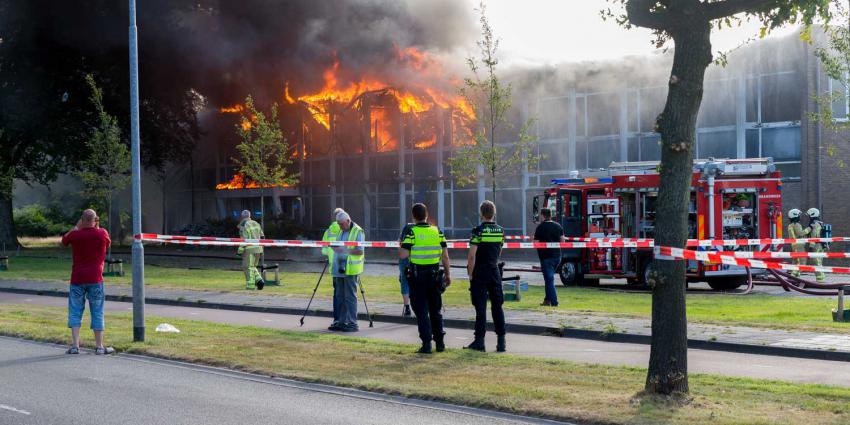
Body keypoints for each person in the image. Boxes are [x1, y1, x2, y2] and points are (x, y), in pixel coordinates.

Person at [60, 209, 114, 355]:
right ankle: (99, 347)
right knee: (97, 311)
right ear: (95, 220)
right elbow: (107, 244)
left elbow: (64, 241)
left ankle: (75, 346)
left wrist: (77, 227)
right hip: (96, 279)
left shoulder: (75, 235)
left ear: (82, 220)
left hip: (77, 278)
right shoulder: (102, 233)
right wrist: (96, 226)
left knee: (75, 311)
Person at [399, 203, 451, 354]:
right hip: (435, 276)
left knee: (422, 311)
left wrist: (402, 243)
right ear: (426, 215)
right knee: (436, 310)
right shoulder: (437, 231)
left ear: (413, 217)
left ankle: (427, 344)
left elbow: (403, 255)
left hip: (418, 277)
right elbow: (445, 256)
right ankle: (440, 343)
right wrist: (448, 275)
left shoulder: (412, 232)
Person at [465, 201, 506, 352]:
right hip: (494, 270)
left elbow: (472, 256)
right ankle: (501, 342)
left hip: (480, 271)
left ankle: (479, 341)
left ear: (481, 214)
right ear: (493, 213)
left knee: (480, 308)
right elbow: (499, 251)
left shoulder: (477, 231)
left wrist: (470, 273)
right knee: (497, 306)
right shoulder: (500, 230)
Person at [329, 211, 365, 332]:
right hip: (339, 268)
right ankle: (341, 321)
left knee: (350, 297)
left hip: (351, 269)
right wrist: (333, 247)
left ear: (348, 221)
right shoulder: (341, 230)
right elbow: (337, 245)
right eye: (339, 224)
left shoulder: (358, 231)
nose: (340, 227)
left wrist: (343, 251)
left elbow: (360, 251)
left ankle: (352, 323)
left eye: (342, 224)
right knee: (340, 296)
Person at [533, 208, 564, 307]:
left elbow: (535, 244)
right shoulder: (558, 226)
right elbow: (563, 242)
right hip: (557, 257)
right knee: (548, 279)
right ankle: (547, 300)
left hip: (546, 257)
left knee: (549, 280)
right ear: (550, 215)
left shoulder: (540, 227)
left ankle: (554, 302)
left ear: (542, 215)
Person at [323, 208, 345, 329]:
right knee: (348, 294)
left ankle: (337, 319)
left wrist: (330, 256)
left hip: (334, 267)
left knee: (336, 294)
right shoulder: (347, 229)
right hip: (347, 266)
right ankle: (346, 319)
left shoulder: (328, 231)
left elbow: (323, 250)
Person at [237, 210, 265, 290]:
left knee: (247, 267)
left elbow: (243, 239)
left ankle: (250, 285)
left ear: (242, 217)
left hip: (249, 249)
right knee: (252, 266)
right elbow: (262, 236)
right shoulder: (256, 223)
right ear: (250, 216)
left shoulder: (244, 224)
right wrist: (261, 247)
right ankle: (260, 281)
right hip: (258, 249)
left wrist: (239, 251)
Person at [398, 222, 414, 317]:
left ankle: (407, 307)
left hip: (405, 260)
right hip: (418, 260)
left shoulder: (407, 227)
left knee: (404, 281)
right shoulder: (430, 228)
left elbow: (400, 243)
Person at [806, 208, 825, 282]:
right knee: (819, 262)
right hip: (822, 245)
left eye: (809, 215)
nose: (809, 217)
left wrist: (811, 246)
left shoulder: (814, 224)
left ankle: (820, 279)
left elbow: (814, 236)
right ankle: (822, 277)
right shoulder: (820, 223)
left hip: (816, 246)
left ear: (812, 214)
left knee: (816, 262)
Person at [786, 208, 807, 278]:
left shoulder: (790, 225)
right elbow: (800, 233)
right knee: (802, 262)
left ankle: (795, 277)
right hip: (799, 246)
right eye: (799, 215)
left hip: (794, 245)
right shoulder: (797, 224)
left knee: (796, 262)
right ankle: (793, 276)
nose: (799, 217)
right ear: (795, 216)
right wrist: (809, 228)